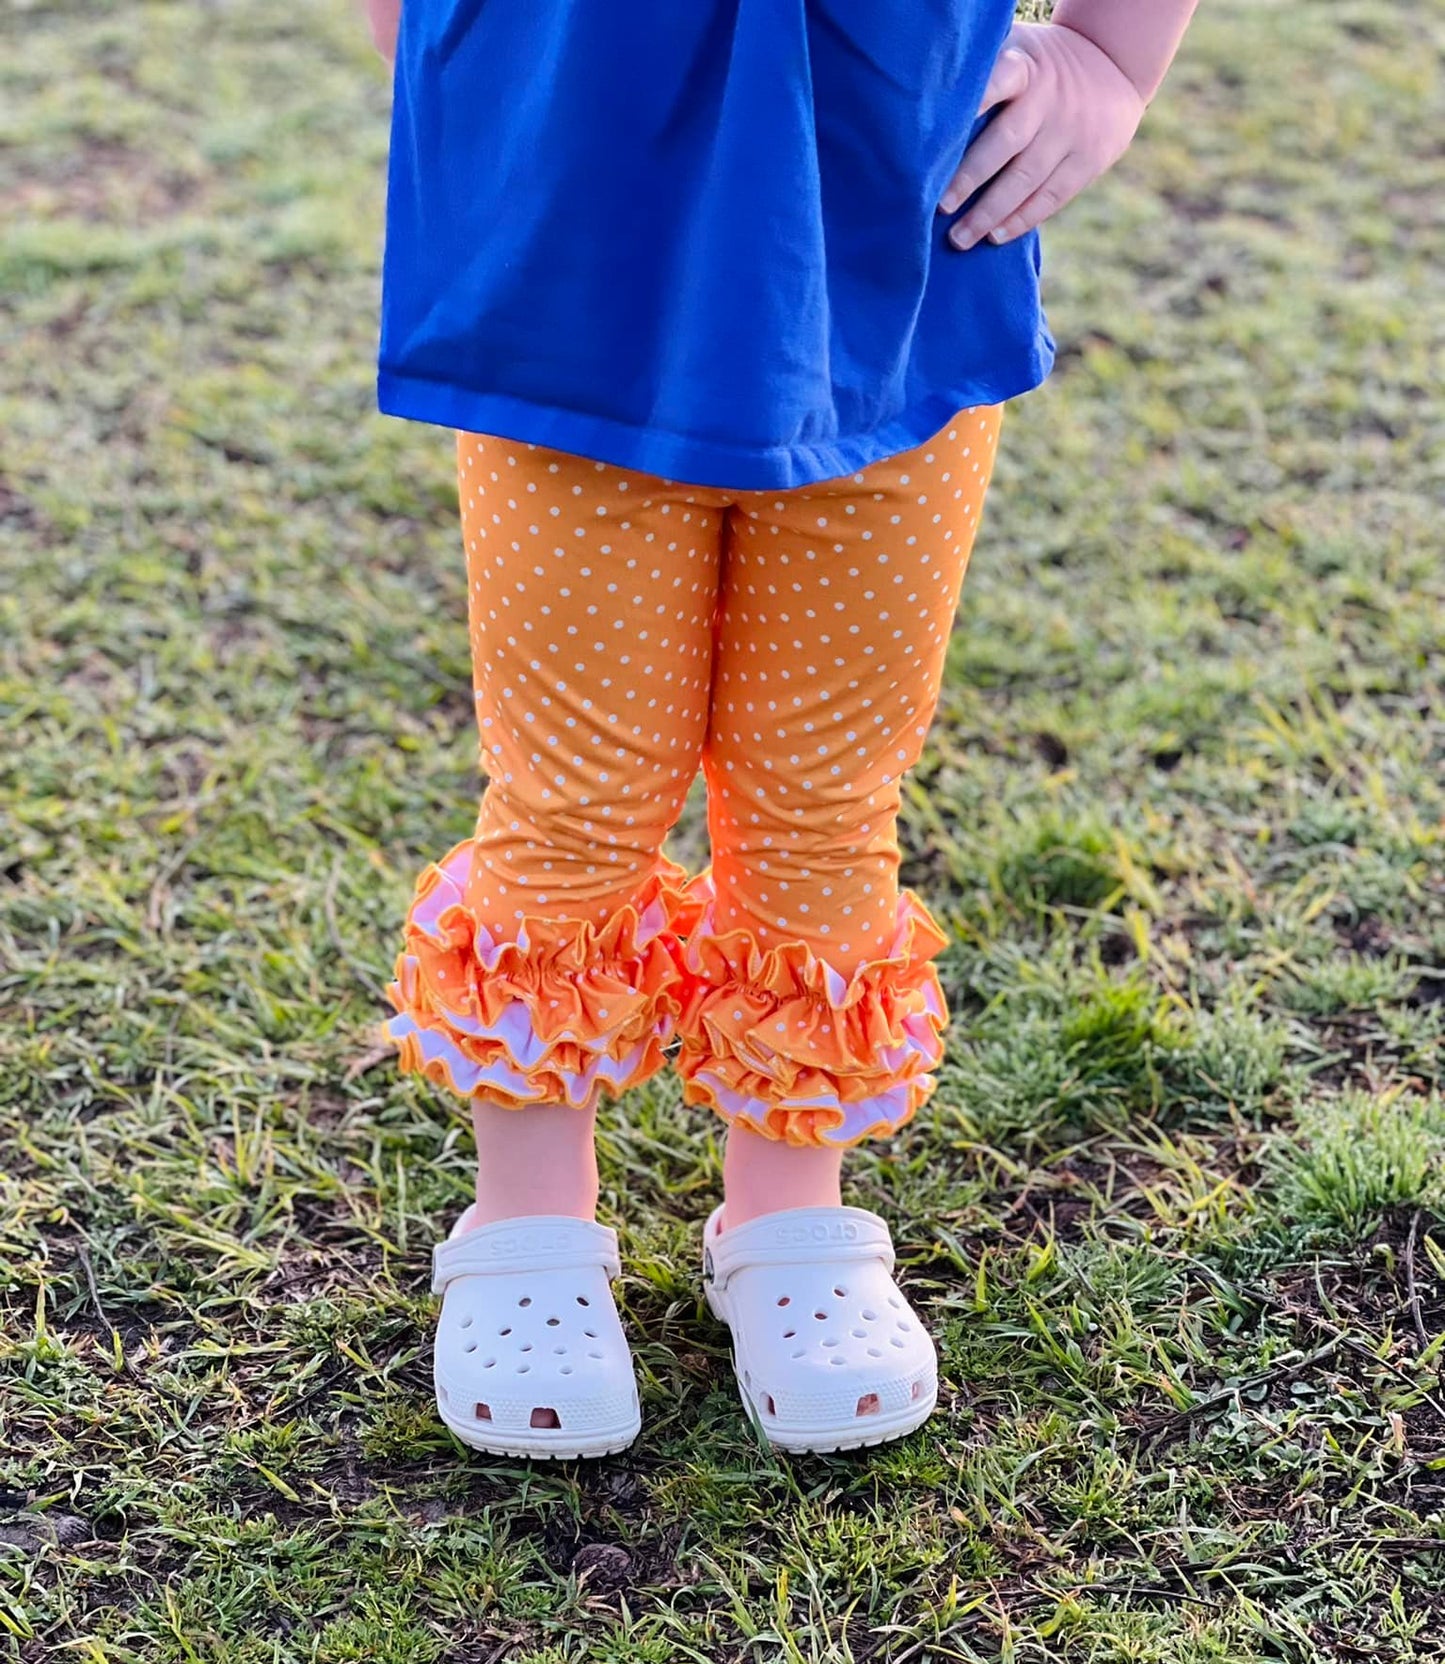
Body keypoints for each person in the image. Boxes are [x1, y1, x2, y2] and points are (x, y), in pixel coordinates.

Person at [364, 0, 1199, 1459]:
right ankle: (528, 1221)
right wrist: (465, 63)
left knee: (823, 791)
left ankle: (785, 1214)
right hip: (572, 241)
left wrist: (1109, 61)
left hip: (895, 229)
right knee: (572, 796)